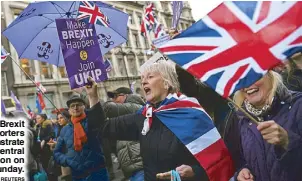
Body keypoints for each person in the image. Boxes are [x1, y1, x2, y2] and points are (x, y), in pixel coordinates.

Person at [84, 62, 233, 181]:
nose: (143, 82)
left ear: (167, 83)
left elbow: (220, 162)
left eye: (149, 77)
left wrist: (194, 172)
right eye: (142, 79)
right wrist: (93, 96)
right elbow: (104, 128)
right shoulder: (145, 116)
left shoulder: (192, 113)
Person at [232, 71, 302, 181]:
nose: (247, 85)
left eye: (253, 76)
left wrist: (287, 142)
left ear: (270, 74)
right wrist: (243, 172)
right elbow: (245, 160)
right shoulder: (242, 118)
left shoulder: (298, 105)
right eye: (241, 80)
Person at [53, 95, 109, 181]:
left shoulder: (92, 122)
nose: (75, 108)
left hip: (98, 172)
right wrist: (68, 161)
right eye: (72, 106)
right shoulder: (65, 130)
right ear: (69, 110)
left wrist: (92, 95)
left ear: (84, 106)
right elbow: (56, 153)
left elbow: (98, 114)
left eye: (78, 105)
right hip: (77, 175)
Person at [104, 87, 145, 181]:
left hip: (140, 164)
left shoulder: (135, 106)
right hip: (131, 167)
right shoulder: (121, 114)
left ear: (125, 95)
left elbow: (108, 108)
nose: (113, 100)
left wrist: (88, 94)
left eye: (115, 96)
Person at [47, 110, 72, 181]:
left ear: (68, 118)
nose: (59, 120)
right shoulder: (62, 128)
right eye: (58, 118)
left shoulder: (70, 128)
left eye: (61, 118)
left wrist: (56, 145)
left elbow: (68, 144)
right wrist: (55, 143)